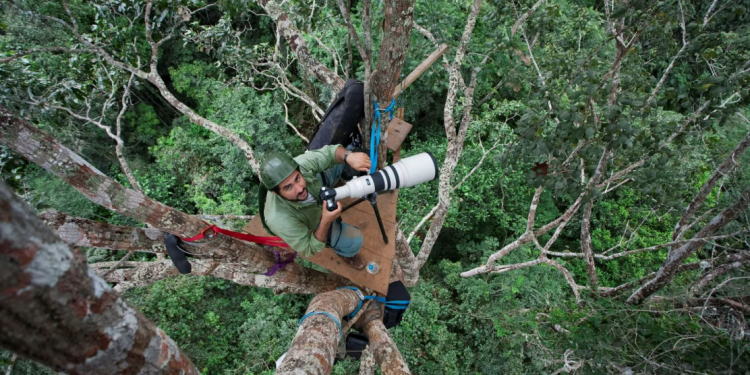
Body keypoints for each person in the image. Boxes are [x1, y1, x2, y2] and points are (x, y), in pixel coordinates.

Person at [260, 144, 371, 270]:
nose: (300, 188)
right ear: (276, 193)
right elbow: (309, 248)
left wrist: (349, 156)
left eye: (297, 178)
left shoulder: (300, 165)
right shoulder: (280, 219)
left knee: (341, 160)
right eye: (288, 187)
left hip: (316, 188)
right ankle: (347, 253)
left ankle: (343, 175)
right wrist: (325, 221)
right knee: (354, 240)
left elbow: (330, 153)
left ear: (298, 171)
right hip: (315, 221)